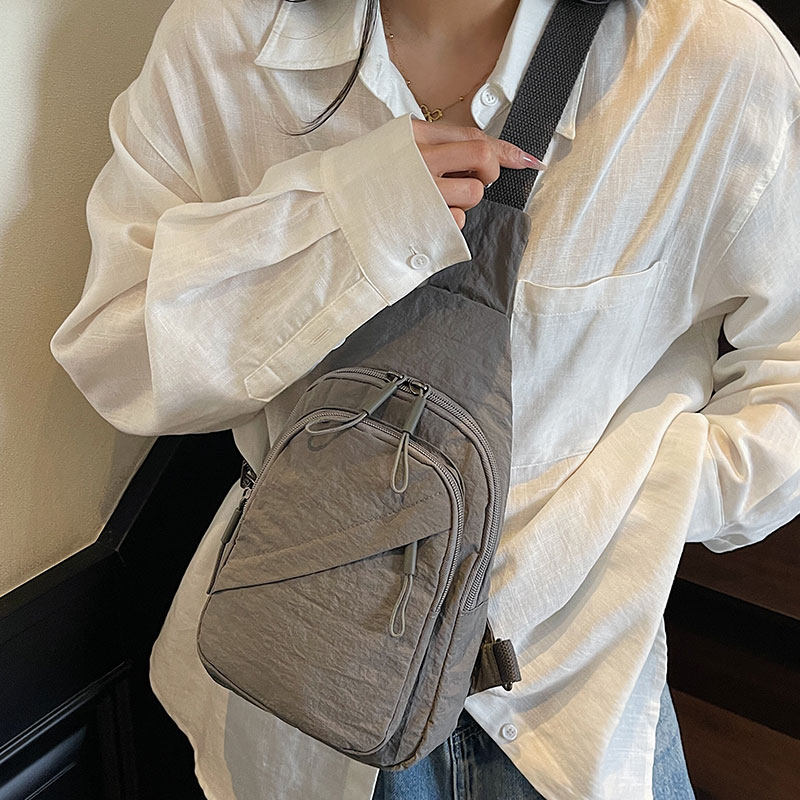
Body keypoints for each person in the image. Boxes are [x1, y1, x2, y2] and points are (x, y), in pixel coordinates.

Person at [49, 0, 800, 797]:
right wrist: (349, 216)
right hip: (297, 678)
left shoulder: (706, 57)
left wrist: (637, 506)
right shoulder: (228, 37)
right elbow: (120, 353)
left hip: (566, 708)